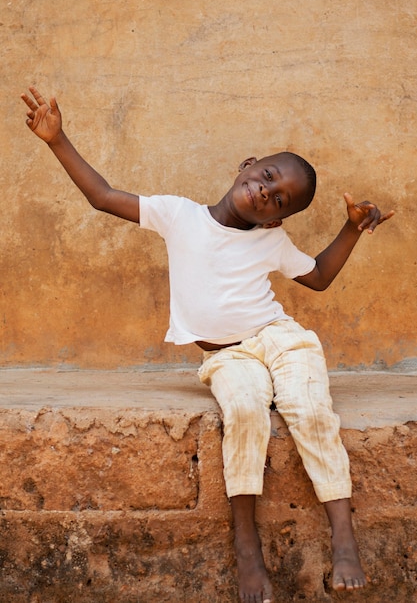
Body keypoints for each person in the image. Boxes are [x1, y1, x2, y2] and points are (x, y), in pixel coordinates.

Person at [21, 87, 394, 603]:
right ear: (248, 165)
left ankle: (344, 534)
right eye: (267, 177)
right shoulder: (180, 216)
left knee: (310, 410)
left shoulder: (270, 241)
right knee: (245, 411)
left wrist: (351, 229)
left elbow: (319, 277)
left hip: (280, 340)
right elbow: (102, 197)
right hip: (228, 355)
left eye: (279, 199)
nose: (267, 192)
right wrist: (57, 139)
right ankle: (247, 544)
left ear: (276, 219)